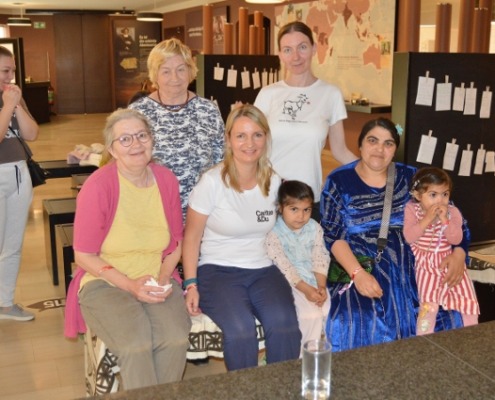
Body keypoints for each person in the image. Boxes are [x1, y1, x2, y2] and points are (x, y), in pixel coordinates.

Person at [66, 109, 191, 390]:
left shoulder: (166, 179)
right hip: (105, 281)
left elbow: (176, 242)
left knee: (175, 338)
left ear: (152, 140)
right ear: (111, 149)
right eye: (125, 139)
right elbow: (83, 255)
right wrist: (131, 285)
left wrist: (163, 277)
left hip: (155, 276)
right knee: (136, 344)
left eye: (141, 135)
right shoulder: (98, 186)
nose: (136, 144)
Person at [321, 118, 467, 352]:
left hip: (415, 265)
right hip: (360, 263)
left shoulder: (412, 178)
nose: (380, 149)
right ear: (360, 144)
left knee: (446, 313)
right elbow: (333, 235)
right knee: (358, 319)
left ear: (395, 149)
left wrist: (459, 254)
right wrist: (358, 274)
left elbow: (453, 215)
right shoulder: (339, 180)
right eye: (373, 141)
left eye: (388, 143)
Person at [182, 104, 301, 371]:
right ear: (228, 140)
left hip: (262, 269)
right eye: (241, 136)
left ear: (266, 139)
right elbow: (191, 238)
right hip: (218, 270)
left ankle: (282, 387)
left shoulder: (274, 181)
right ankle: (244, 390)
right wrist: (191, 284)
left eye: (257, 135)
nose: (250, 143)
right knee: (240, 331)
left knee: (284, 325)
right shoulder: (211, 182)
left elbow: (286, 229)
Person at [254, 21, 358, 219]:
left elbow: (340, 151)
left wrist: (375, 170)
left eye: (302, 47)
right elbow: (253, 148)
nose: (296, 57)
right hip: (268, 197)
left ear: (314, 48)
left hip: (307, 201)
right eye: (288, 50)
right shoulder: (268, 94)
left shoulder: (330, 94)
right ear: (280, 54)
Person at [129, 38, 224, 219]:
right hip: (152, 213)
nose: (175, 78)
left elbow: (221, 162)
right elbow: (127, 165)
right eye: (166, 71)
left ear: (190, 71)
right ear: (155, 75)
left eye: (181, 69)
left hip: (202, 214)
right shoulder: (138, 113)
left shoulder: (208, 110)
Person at [403, 167, 479, 335]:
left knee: (466, 298)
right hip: (425, 264)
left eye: (445, 194)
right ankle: (423, 337)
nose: (440, 200)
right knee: (428, 305)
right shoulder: (412, 209)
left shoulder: (453, 212)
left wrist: (445, 220)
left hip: (448, 261)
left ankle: (473, 334)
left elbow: (456, 239)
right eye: (433, 195)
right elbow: (409, 237)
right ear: (418, 196)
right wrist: (427, 219)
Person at [265, 180, 330, 351]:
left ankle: (326, 354)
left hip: (314, 280)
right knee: (310, 315)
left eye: (306, 210)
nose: (301, 216)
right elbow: (283, 267)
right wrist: (306, 289)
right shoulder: (273, 232)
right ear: (280, 207)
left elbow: (320, 256)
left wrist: (321, 287)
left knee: (329, 311)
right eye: (294, 209)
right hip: (290, 283)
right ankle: (303, 356)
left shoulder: (314, 228)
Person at [0, 45, 39, 322]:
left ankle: (5, 303)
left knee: (13, 243)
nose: (11, 76)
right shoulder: (8, 100)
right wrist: (8, 106)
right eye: (5, 70)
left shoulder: (14, 95)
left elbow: (32, 133)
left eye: (12, 70)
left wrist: (17, 104)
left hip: (19, 172)